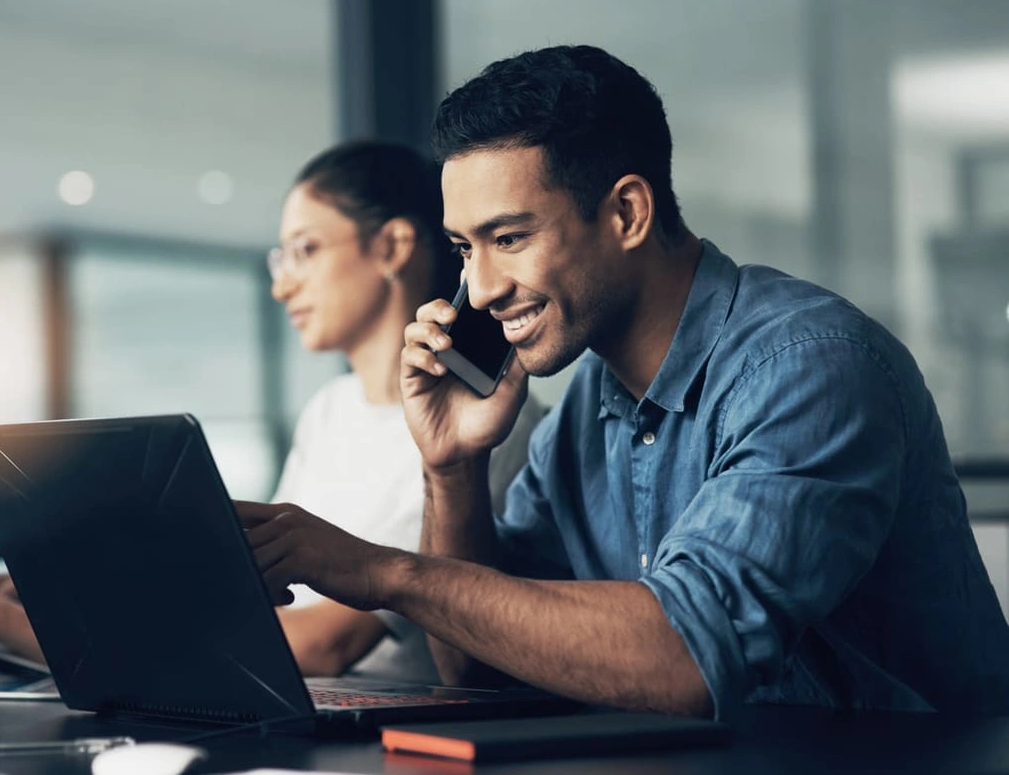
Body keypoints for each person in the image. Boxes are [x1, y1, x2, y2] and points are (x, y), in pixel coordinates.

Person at [237, 45, 1009, 719]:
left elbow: (684, 658)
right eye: (466, 249)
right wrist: (452, 466)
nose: (481, 289)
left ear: (629, 213)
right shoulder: (586, 407)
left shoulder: (812, 366)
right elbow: (478, 666)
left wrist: (380, 571)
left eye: (510, 238)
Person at [0, 140, 541, 681]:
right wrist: (68, 597)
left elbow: (325, 643)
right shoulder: (330, 410)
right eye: (280, 258)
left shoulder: (481, 421)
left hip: (388, 723)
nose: (282, 287)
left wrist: (33, 630)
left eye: (305, 250)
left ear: (393, 246)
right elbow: (250, 595)